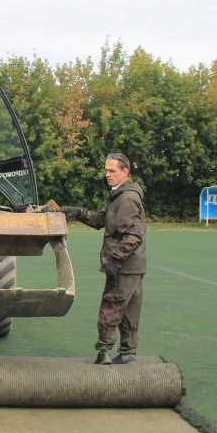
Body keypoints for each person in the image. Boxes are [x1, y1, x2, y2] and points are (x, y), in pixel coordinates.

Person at [57, 152, 146, 365]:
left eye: (112, 170)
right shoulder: (120, 194)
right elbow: (101, 219)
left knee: (112, 305)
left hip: (124, 266)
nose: (107, 174)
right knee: (128, 311)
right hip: (133, 266)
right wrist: (78, 212)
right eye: (106, 170)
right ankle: (127, 353)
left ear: (125, 172)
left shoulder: (127, 198)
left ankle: (104, 352)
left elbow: (133, 235)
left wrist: (115, 260)